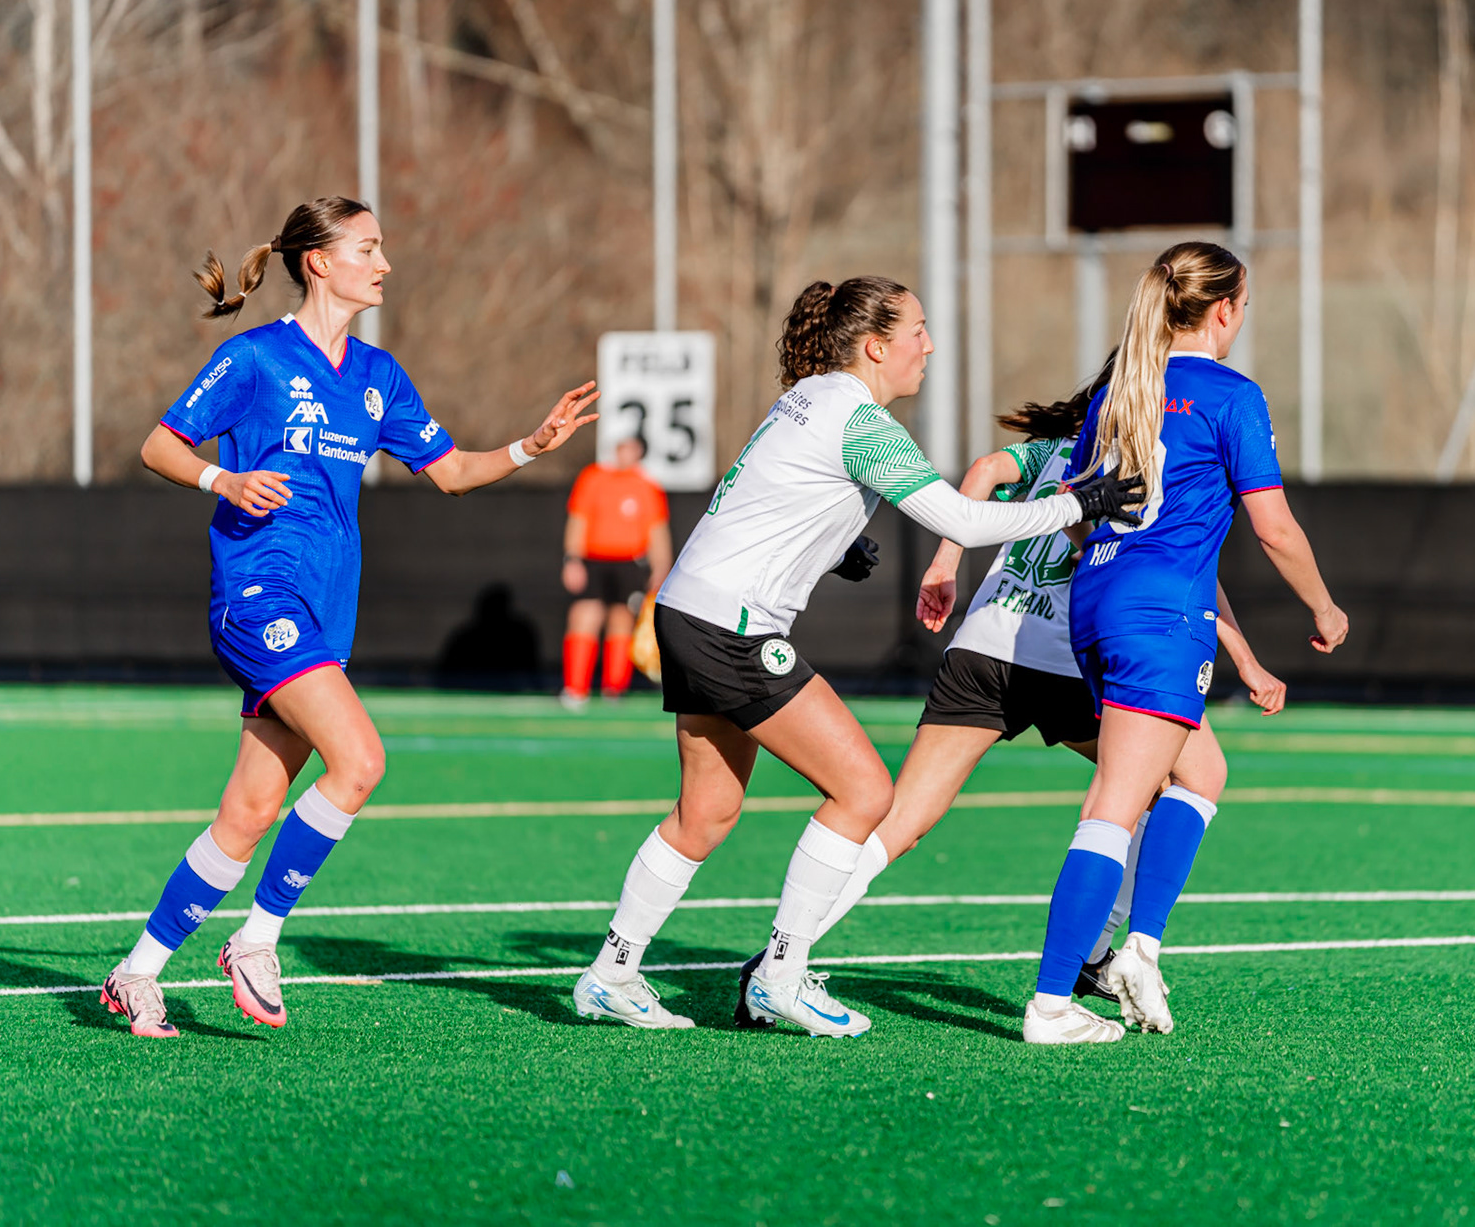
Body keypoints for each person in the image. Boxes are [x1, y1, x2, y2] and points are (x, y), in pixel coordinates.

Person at [568, 275, 1144, 1038]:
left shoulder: (808, 398)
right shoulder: (861, 421)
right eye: (917, 331)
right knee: (866, 791)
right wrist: (1080, 503)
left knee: (705, 813)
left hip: (689, 611)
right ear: (875, 346)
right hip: (730, 628)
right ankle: (780, 975)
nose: (928, 346)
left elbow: (769, 496)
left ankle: (611, 973)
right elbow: (966, 520)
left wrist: (836, 545)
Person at [103, 196, 597, 1038]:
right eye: (368, 248)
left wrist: (530, 446)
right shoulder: (254, 357)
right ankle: (258, 940)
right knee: (360, 761)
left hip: (327, 612)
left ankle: (135, 972)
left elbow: (452, 473)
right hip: (258, 597)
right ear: (319, 262)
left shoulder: (378, 376)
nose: (385, 264)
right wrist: (223, 480)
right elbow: (159, 445)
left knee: (249, 812)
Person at [763, 359, 1287, 1028]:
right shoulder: (1143, 453)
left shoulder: (1055, 447)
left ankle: (781, 958)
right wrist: (1246, 659)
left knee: (902, 820)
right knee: (1184, 778)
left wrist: (946, 563)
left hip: (986, 641)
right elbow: (1180, 565)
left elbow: (985, 469)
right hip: (1071, 658)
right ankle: (1104, 950)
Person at [1023, 241, 1349, 1045]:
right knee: (1113, 807)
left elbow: (1078, 514)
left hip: (1098, 602)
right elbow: (1273, 529)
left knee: (1201, 772)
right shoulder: (1231, 394)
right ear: (1224, 310)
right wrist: (1323, 605)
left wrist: (1240, 654)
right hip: (1158, 619)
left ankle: (1138, 948)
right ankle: (1053, 1003)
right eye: (1244, 307)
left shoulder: (1119, 392)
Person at [559, 434, 672, 707]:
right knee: (584, 614)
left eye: (630, 449)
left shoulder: (647, 486)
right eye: (621, 448)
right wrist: (572, 559)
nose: (624, 453)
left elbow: (657, 532)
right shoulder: (593, 478)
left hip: (629, 563)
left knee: (622, 620)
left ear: (639, 453)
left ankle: (614, 689)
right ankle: (575, 689)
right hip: (594, 560)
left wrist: (661, 568)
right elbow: (578, 521)